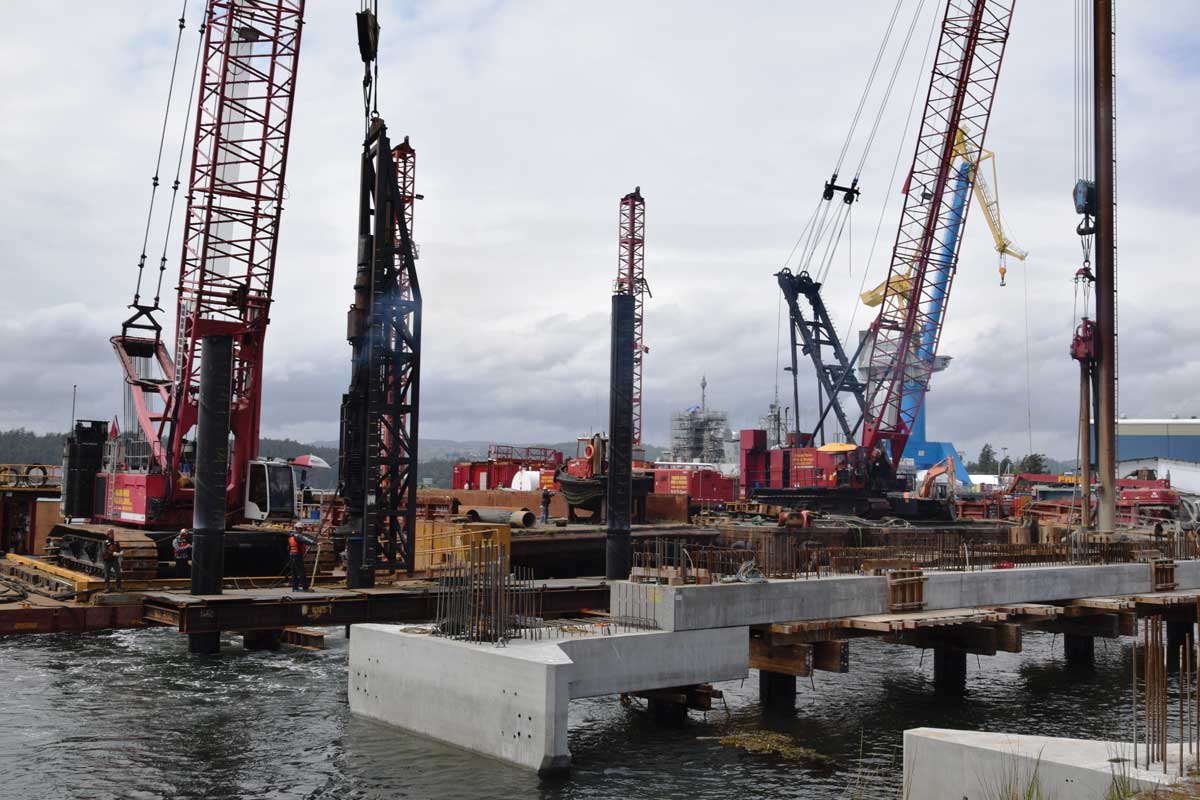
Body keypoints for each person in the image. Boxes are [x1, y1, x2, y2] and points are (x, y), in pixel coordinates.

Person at [288, 527, 315, 592]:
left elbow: (288, 547)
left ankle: (295, 588)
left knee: (294, 572)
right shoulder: (298, 536)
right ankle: (305, 588)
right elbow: (306, 540)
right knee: (301, 571)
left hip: (292, 555)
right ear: (297, 529)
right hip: (297, 555)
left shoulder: (291, 536)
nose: (302, 530)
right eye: (301, 529)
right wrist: (315, 543)